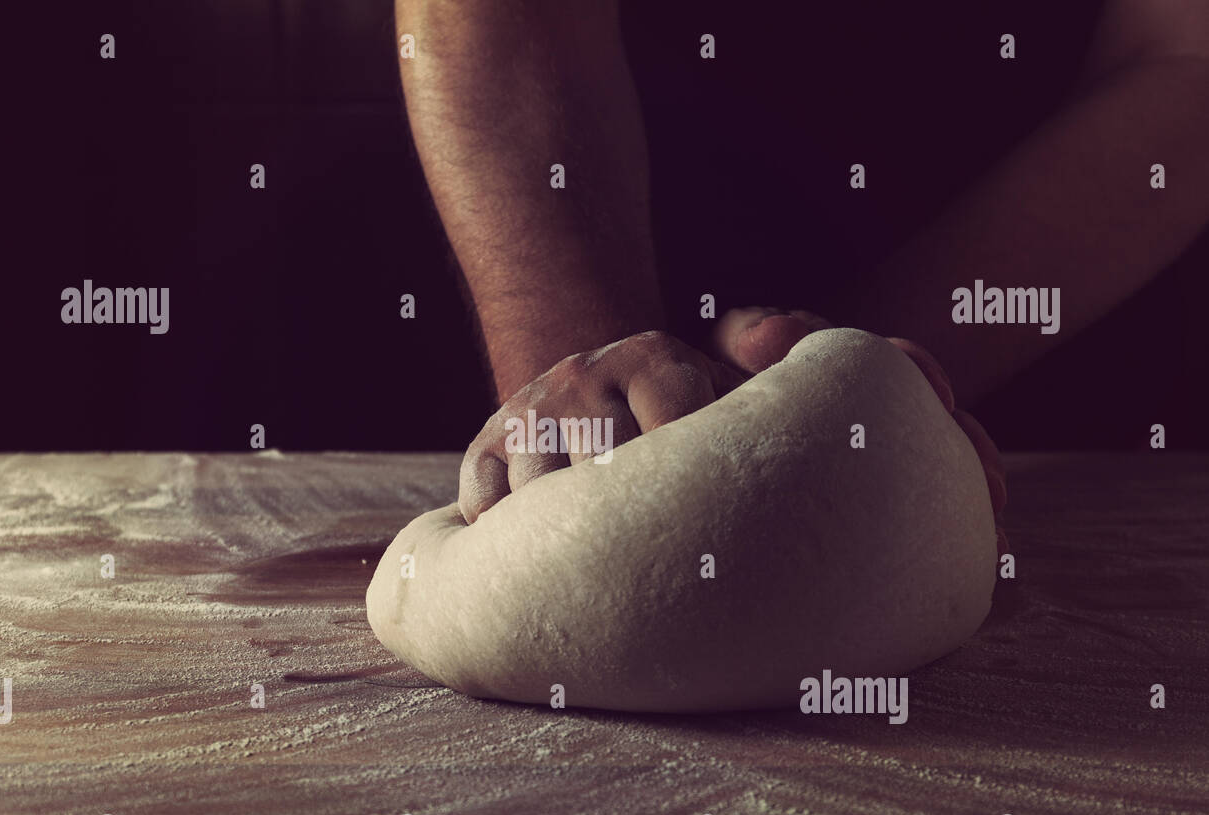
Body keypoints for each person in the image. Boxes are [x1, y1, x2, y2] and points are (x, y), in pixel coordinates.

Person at [395, 0, 1209, 538]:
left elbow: (1183, 56)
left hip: (1034, 378)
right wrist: (597, 438)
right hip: (622, 251)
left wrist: (849, 393)